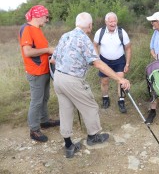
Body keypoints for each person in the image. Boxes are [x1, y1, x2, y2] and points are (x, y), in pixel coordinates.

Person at [51, 12, 131, 158]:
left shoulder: (65, 36)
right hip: (72, 80)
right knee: (91, 107)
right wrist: (119, 79)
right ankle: (93, 137)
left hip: (58, 78)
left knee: (65, 110)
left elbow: (53, 60)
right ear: (89, 25)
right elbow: (97, 63)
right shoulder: (84, 38)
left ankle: (68, 146)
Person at [18, 5, 60, 143]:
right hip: (35, 72)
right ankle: (34, 130)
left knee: (45, 98)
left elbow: (39, 48)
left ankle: (45, 121)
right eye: (46, 17)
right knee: (36, 101)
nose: (47, 20)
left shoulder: (37, 29)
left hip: (44, 70)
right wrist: (48, 50)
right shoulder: (27, 29)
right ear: (38, 15)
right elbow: (28, 52)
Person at [93, 12, 132, 113]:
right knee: (104, 81)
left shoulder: (122, 32)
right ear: (106, 22)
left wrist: (127, 64)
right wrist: (97, 59)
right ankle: (105, 98)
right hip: (104, 60)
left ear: (117, 21)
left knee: (120, 81)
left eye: (114, 21)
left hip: (119, 60)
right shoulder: (100, 32)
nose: (113, 24)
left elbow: (128, 48)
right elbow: (94, 45)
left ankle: (121, 101)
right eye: (110, 21)